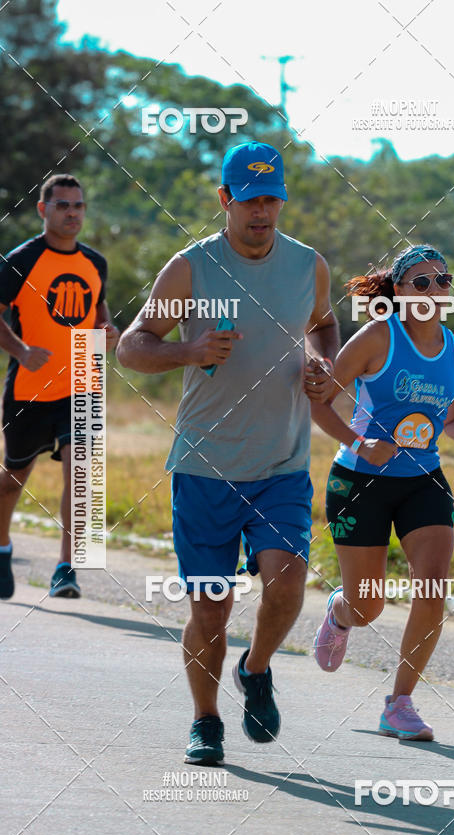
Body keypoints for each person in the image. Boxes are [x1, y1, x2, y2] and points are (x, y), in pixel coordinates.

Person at [117, 141, 339, 765]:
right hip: (205, 465)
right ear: (225, 200)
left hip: (281, 462)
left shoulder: (308, 266)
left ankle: (258, 668)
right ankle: (206, 721)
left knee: (289, 583)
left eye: (272, 199)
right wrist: (188, 352)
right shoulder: (190, 269)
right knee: (209, 608)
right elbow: (132, 346)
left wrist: (324, 361)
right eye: (250, 200)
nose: (262, 212)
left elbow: (322, 324)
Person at [311, 245, 454, 741]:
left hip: (424, 482)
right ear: (401, 291)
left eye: (442, 281)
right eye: (422, 282)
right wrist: (358, 442)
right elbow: (320, 403)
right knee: (368, 607)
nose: (435, 291)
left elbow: (451, 422)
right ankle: (340, 614)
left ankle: (400, 703)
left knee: (433, 588)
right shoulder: (376, 338)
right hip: (359, 482)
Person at [0, 174, 120, 600]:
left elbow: (100, 313)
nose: (72, 213)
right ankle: (2, 546)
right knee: (14, 477)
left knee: (82, 472)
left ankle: (66, 567)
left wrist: (109, 333)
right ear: (43, 210)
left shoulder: (94, 262)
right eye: (63, 205)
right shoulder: (20, 260)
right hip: (31, 385)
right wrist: (19, 349)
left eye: (78, 206)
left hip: (83, 378)